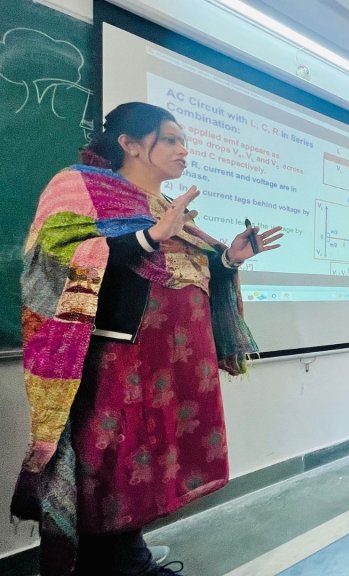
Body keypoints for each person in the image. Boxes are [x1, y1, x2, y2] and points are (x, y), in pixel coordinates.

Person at [11, 102, 283, 576]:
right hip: (121, 363)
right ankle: (110, 565)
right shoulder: (80, 188)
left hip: (174, 367)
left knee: (154, 466)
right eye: (172, 139)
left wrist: (229, 261)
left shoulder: (166, 209)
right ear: (130, 143)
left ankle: (128, 558)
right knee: (112, 465)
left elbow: (184, 274)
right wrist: (145, 239)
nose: (184, 150)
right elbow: (53, 256)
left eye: (184, 140)